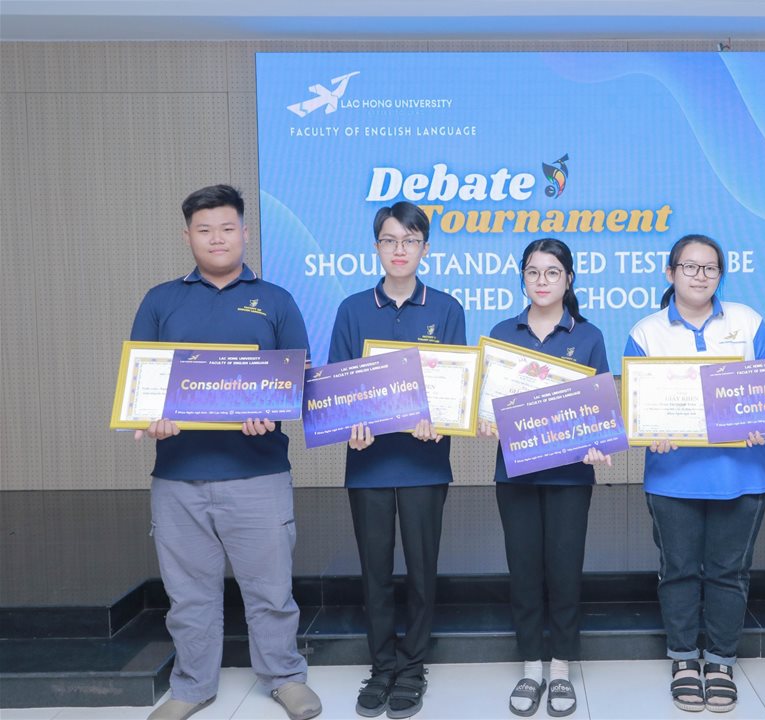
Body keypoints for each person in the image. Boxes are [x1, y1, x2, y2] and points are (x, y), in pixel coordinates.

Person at [131, 184, 321, 720]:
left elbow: (299, 381)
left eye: (227, 228)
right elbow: (143, 383)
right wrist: (151, 416)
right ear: (187, 236)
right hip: (178, 475)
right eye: (204, 229)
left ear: (244, 232)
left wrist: (273, 410)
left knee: (271, 590)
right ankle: (192, 686)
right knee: (188, 595)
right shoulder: (160, 301)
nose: (217, 238)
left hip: (258, 474)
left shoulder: (276, 300)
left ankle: (285, 677)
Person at [624, 234, 765, 714]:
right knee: (679, 571)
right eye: (689, 267)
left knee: (730, 572)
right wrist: (649, 432)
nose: (700, 276)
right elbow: (635, 408)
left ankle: (722, 661)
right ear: (670, 273)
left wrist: (764, 420)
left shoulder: (749, 322)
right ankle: (684, 659)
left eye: (710, 268)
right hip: (673, 477)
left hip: (741, 474)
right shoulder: (646, 332)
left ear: (720, 275)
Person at [328, 200, 465, 719]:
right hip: (368, 465)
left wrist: (440, 418)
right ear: (376, 247)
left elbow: (455, 389)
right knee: (375, 571)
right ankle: (382, 664)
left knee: (422, 571)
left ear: (425, 249)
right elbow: (339, 388)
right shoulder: (352, 309)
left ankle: (412, 666)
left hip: (424, 463)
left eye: (410, 241)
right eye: (390, 240)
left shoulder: (446, 309)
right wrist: (351, 422)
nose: (399, 249)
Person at [481, 238, 611, 718]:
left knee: (563, 569)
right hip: (515, 474)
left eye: (552, 272)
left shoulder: (589, 335)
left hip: (570, 476)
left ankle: (560, 668)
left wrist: (597, 441)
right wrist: (485, 420)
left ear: (568, 279)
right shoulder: (502, 333)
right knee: (524, 570)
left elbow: (600, 411)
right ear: (523, 277)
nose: (542, 281)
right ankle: (531, 666)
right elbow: (486, 405)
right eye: (533, 272)